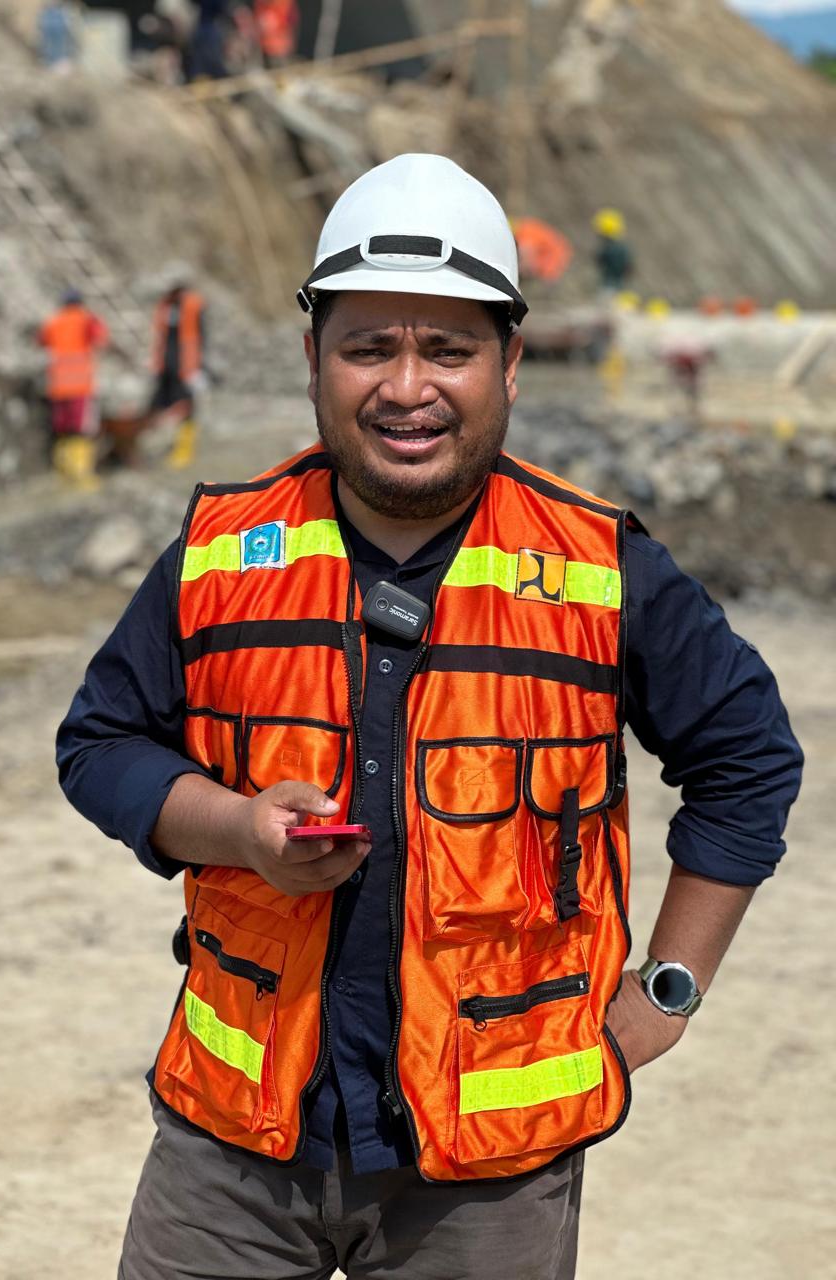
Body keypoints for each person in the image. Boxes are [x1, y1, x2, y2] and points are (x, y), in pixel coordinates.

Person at [57, 154, 802, 1279]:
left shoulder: (603, 572)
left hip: (487, 1178)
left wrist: (670, 986)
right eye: (369, 347)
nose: (408, 388)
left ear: (511, 362)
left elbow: (747, 759)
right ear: (313, 358)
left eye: (448, 349)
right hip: (233, 1152)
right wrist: (239, 829)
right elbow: (99, 743)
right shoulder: (219, 557)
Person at [37, 288, 108, 486]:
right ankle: (81, 473)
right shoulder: (87, 319)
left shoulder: (53, 321)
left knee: (62, 428)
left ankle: (63, 471)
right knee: (81, 429)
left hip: (58, 384)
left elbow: (41, 340)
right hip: (80, 384)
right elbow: (100, 339)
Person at [149, 268, 207, 469]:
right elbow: (161, 335)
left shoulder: (193, 305)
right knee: (163, 405)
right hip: (167, 365)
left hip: (186, 365)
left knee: (186, 407)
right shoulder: (165, 305)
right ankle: (170, 447)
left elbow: (202, 336)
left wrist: (198, 367)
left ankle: (184, 450)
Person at [592, 207, 633, 295]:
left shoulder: (609, 249)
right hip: (620, 286)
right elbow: (629, 268)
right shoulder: (623, 248)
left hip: (609, 286)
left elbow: (599, 261)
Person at [254, 0, 299, 67]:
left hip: (280, 49)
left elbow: (291, 24)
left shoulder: (284, 4)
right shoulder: (260, 4)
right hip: (264, 48)